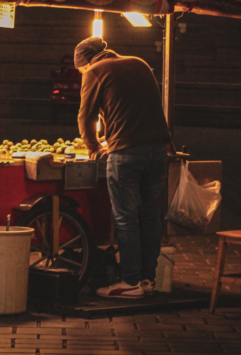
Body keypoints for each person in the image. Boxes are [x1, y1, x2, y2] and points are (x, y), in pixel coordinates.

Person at [74, 37, 170, 299]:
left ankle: (130, 281)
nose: (81, 73)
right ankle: (148, 279)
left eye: (80, 69)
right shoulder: (139, 63)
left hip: (126, 152)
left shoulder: (94, 71)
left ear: (86, 62)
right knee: (150, 218)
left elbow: (86, 116)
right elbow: (131, 105)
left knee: (125, 218)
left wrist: (93, 146)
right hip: (159, 149)